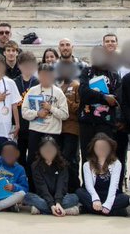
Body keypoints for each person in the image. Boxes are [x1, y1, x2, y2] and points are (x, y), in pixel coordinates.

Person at [78, 46, 123, 181]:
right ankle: (87, 187)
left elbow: (117, 98)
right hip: (87, 121)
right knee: (87, 156)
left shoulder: (114, 75)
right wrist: (104, 97)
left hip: (105, 123)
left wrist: (108, 99)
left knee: (106, 156)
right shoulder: (87, 72)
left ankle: (105, 187)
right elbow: (83, 93)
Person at [22, 62, 68, 163]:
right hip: (35, 131)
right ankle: (31, 179)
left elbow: (65, 114)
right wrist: (37, 114)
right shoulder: (32, 91)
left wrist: (50, 108)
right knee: (33, 161)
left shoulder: (58, 92)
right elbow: (24, 112)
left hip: (53, 132)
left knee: (51, 162)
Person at [77, 133, 129, 216]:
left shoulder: (116, 163)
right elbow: (89, 186)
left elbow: (114, 186)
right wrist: (95, 199)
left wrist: (108, 204)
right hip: (95, 196)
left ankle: (94, 210)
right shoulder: (87, 165)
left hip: (111, 196)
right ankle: (110, 211)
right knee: (79, 192)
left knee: (126, 199)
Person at [25, 136, 80, 216]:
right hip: (44, 197)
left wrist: (58, 202)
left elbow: (61, 186)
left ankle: (43, 210)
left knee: (75, 197)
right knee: (27, 196)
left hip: (60, 197)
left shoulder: (62, 165)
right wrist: (51, 204)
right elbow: (42, 187)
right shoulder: (35, 166)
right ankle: (64, 210)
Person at [59, 61, 83, 192]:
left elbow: (79, 108)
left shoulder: (76, 86)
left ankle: (74, 188)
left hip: (72, 128)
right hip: (59, 129)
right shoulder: (60, 87)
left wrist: (65, 100)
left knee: (69, 159)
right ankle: (64, 187)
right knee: (61, 159)